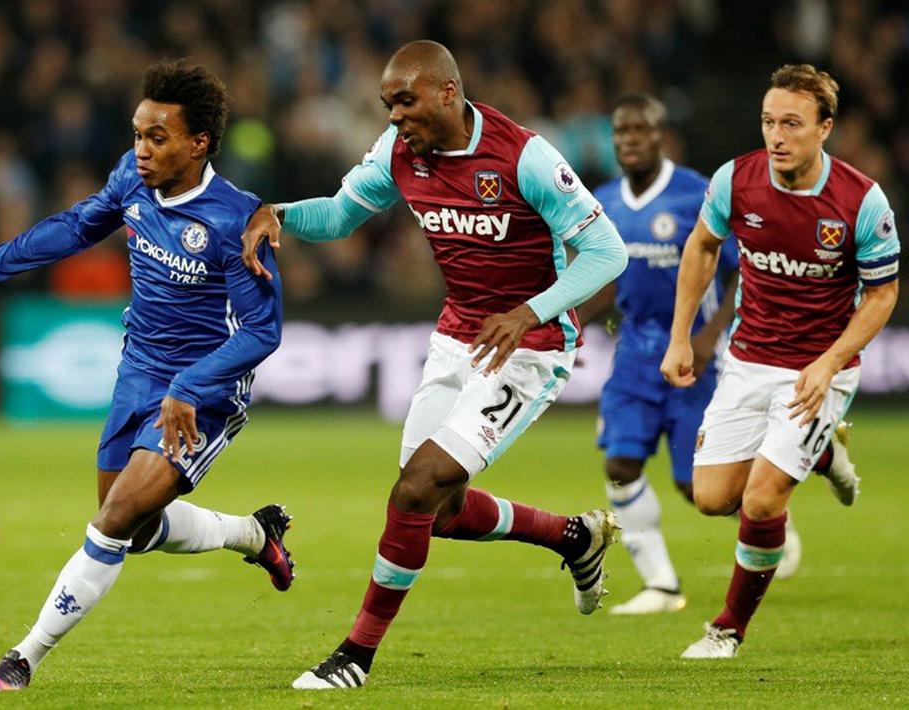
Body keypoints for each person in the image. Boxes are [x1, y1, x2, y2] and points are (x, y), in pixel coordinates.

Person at [241, 41, 628, 689]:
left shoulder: (521, 156)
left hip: (527, 349)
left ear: (447, 92)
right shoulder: (399, 153)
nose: (394, 116)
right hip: (457, 339)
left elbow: (604, 252)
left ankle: (355, 656)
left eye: (405, 100)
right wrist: (277, 213)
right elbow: (338, 216)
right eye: (387, 104)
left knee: (415, 489)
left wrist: (531, 313)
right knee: (435, 512)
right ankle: (571, 537)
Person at [0, 59, 292, 691]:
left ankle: (22, 659)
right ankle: (253, 534)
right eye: (137, 134)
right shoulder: (132, 178)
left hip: (202, 389)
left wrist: (188, 388)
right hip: (139, 372)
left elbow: (263, 332)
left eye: (158, 138)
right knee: (134, 524)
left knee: (110, 522)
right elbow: (77, 226)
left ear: (198, 143)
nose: (142, 150)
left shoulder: (237, 220)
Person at [662, 64, 895, 659]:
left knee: (763, 501)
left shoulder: (861, 201)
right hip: (747, 360)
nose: (776, 136)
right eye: (769, 122)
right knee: (713, 497)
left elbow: (882, 293)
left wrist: (831, 362)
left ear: (825, 128)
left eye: (791, 123)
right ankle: (824, 452)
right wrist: (680, 336)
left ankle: (727, 629)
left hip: (821, 369)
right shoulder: (735, 181)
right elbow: (703, 246)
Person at [577, 93, 804, 615]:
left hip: (692, 356)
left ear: (662, 136)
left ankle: (770, 520)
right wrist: (572, 323)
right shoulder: (603, 201)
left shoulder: (696, 194)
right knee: (620, 463)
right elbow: (608, 277)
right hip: (633, 353)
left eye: (641, 129)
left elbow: (738, 272)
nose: (629, 139)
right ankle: (661, 584)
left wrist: (709, 337)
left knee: (694, 484)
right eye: (621, 131)